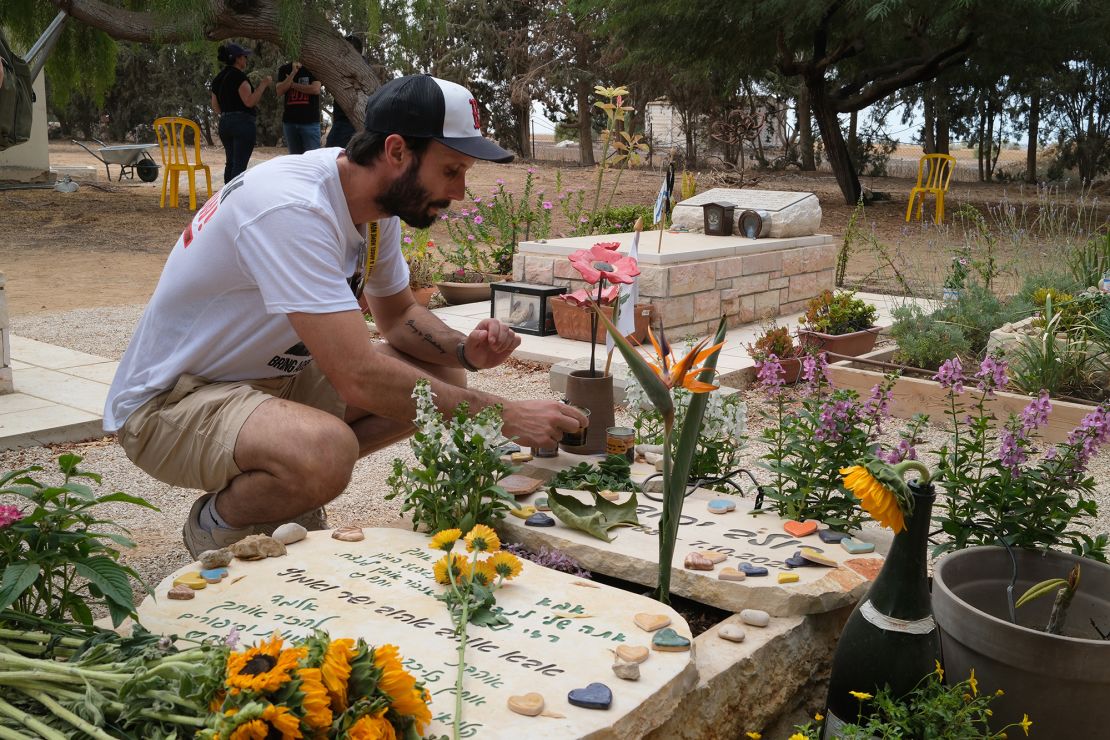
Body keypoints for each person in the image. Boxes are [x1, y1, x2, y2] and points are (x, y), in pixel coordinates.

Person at [104, 74, 586, 558]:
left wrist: (463, 348)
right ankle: (218, 524)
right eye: (452, 170)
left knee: (444, 374)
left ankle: (292, 484)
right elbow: (357, 375)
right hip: (171, 403)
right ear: (396, 151)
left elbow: (397, 317)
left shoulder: (373, 209)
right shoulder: (293, 207)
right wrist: (504, 415)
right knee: (326, 451)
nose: (460, 191)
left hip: (262, 384)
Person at [210, 42, 271, 183]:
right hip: (242, 124)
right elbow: (249, 101)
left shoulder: (218, 79)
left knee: (230, 162)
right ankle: (235, 198)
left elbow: (215, 107)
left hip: (224, 123)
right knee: (239, 165)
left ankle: (226, 198)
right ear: (237, 58)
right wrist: (263, 85)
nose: (246, 59)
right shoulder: (239, 77)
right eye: (244, 56)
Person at [324, 35, 363, 149]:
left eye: (344, 50)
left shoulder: (360, 70)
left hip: (349, 123)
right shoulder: (341, 68)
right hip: (340, 121)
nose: (340, 53)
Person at [276, 60, 322, 154]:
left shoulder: (314, 67)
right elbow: (279, 91)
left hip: (310, 122)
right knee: (295, 159)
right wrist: (293, 73)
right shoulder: (284, 69)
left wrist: (292, 85)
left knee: (313, 159)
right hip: (289, 123)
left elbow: (315, 89)